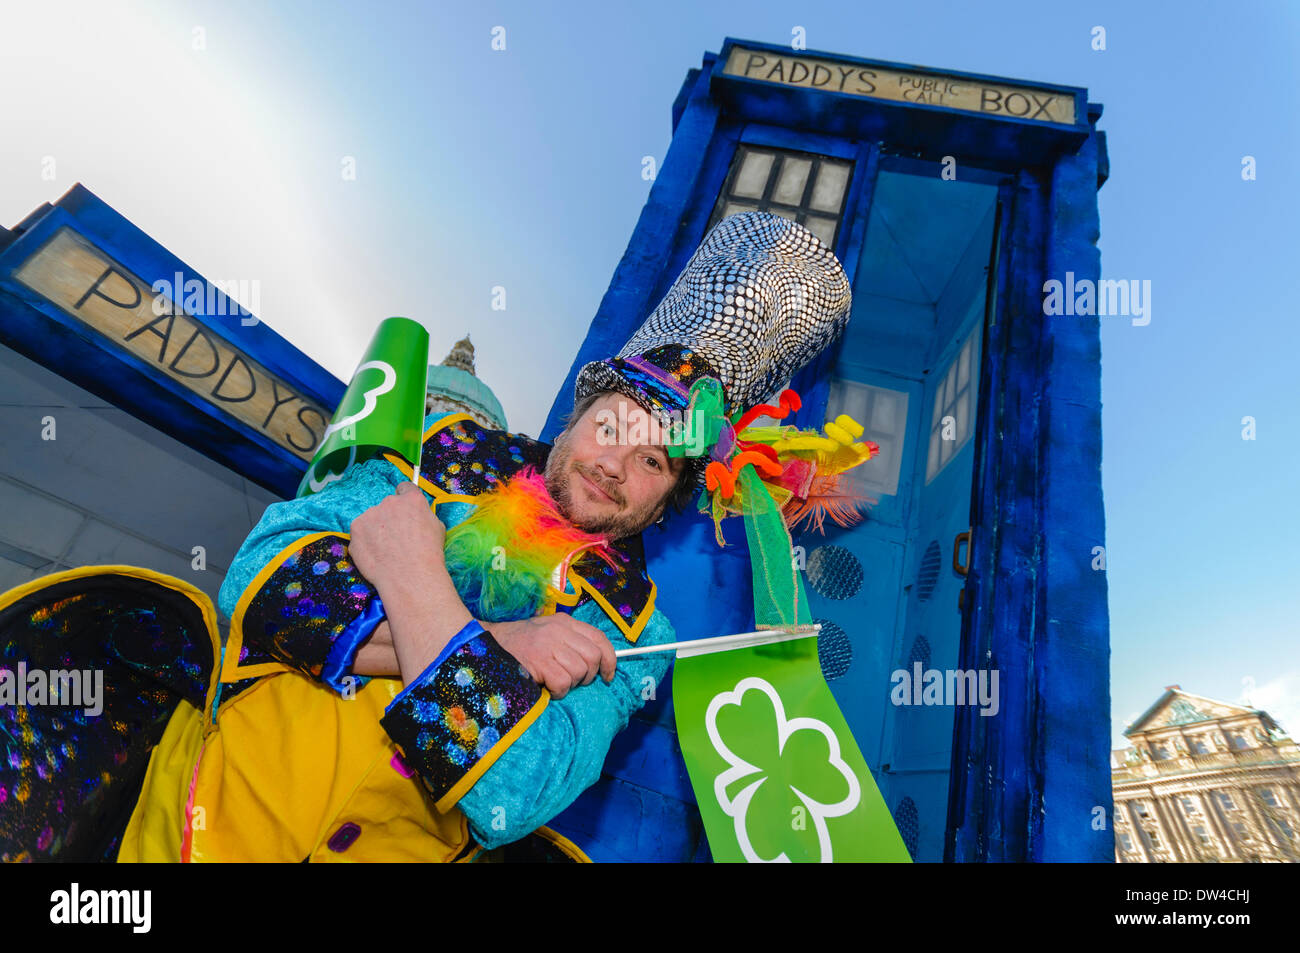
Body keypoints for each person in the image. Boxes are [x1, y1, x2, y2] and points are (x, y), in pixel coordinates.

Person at [0, 211, 869, 862]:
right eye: (615, 424)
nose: (618, 463)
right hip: (177, 832)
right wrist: (501, 642)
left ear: (669, 496)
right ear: (579, 413)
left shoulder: (637, 634)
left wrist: (412, 580)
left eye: (653, 462)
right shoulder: (431, 449)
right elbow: (264, 586)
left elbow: (513, 791)